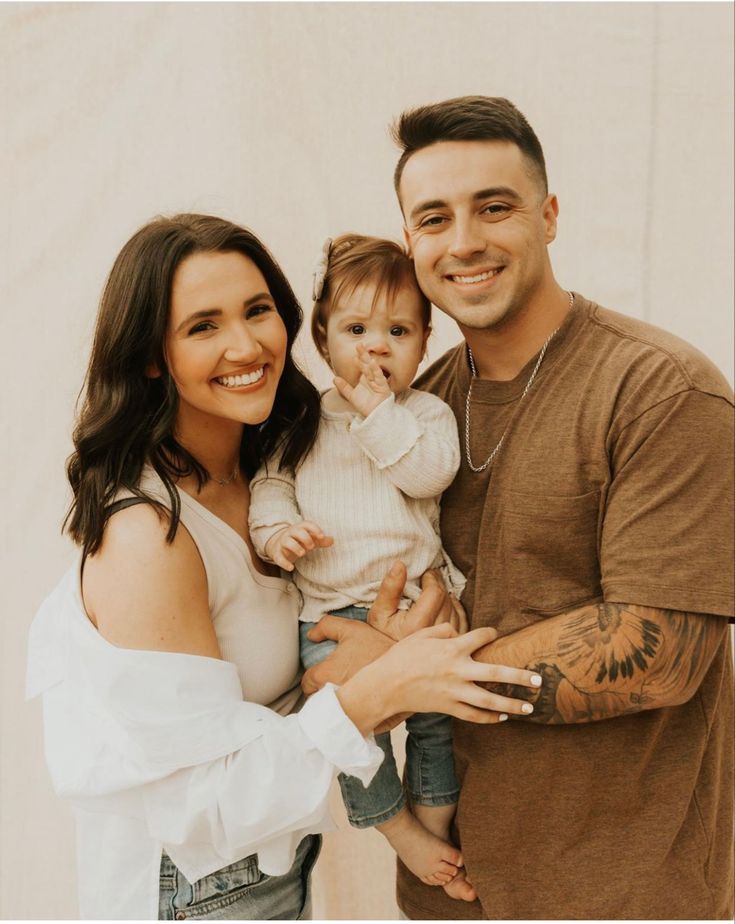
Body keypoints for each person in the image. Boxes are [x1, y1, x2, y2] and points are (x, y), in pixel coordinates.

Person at [26, 213, 542, 921]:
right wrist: (378, 686)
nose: (246, 344)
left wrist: (373, 647)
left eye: (258, 310)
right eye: (203, 326)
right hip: (192, 890)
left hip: (272, 863)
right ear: (150, 356)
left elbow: (279, 686)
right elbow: (207, 798)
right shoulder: (150, 533)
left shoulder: (272, 466)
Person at [304, 96, 734, 918]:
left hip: (623, 895)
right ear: (411, 244)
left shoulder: (659, 391)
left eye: (492, 208)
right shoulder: (410, 408)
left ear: (549, 214)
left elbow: (659, 652)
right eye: (433, 218)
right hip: (453, 893)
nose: (462, 241)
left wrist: (401, 676)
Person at [248, 233, 475, 893]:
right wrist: (277, 536)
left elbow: (429, 475)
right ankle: (395, 826)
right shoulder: (299, 422)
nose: (376, 345)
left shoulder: (423, 415)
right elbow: (268, 488)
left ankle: (433, 826)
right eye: (355, 328)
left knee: (438, 723)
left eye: (398, 330)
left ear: (425, 339)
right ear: (321, 340)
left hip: (415, 609)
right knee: (347, 728)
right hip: (328, 615)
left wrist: (378, 412)